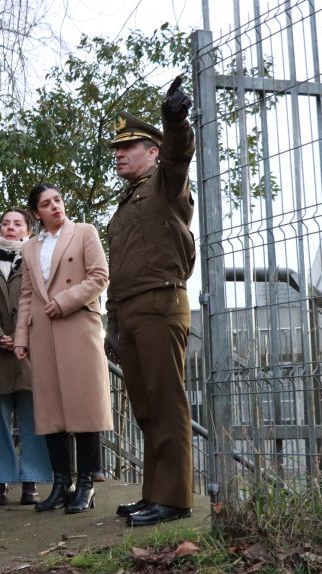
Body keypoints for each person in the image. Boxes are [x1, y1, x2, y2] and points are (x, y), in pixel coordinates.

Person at [105, 77, 196, 527]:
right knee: (145, 406)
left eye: (130, 146)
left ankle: (176, 498)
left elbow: (180, 153)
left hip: (161, 305)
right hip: (130, 310)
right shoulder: (126, 203)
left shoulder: (166, 184)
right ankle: (154, 494)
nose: (119, 154)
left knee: (166, 402)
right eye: (117, 148)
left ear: (153, 151)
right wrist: (112, 321)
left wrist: (174, 121)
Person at [14, 183, 112, 514]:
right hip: (42, 332)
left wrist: (65, 301)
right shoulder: (29, 247)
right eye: (46, 203)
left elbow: (100, 276)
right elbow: (27, 295)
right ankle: (60, 484)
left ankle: (85, 485)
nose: (55, 206)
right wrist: (21, 338)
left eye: (57, 199)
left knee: (84, 405)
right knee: (50, 410)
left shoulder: (84, 232)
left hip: (78, 327)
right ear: (36, 212)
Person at [0, 209, 52, 506]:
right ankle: (2, 479)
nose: (10, 228)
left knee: (31, 416)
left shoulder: (37, 259)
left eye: (17, 223)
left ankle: (31, 482)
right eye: (5, 223)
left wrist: (22, 336)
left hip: (29, 350)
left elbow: (43, 301)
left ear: (27, 230)